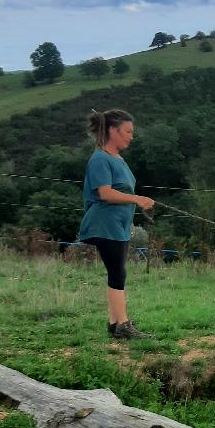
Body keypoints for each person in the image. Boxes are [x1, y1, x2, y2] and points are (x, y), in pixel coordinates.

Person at [78, 109, 155, 339]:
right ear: (113, 130)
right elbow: (105, 193)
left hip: (118, 225)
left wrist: (134, 207)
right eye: (127, 131)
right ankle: (123, 325)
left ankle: (114, 323)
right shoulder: (100, 158)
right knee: (117, 272)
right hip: (104, 224)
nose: (131, 136)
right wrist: (136, 199)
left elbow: (121, 191)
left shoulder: (117, 158)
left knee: (118, 272)